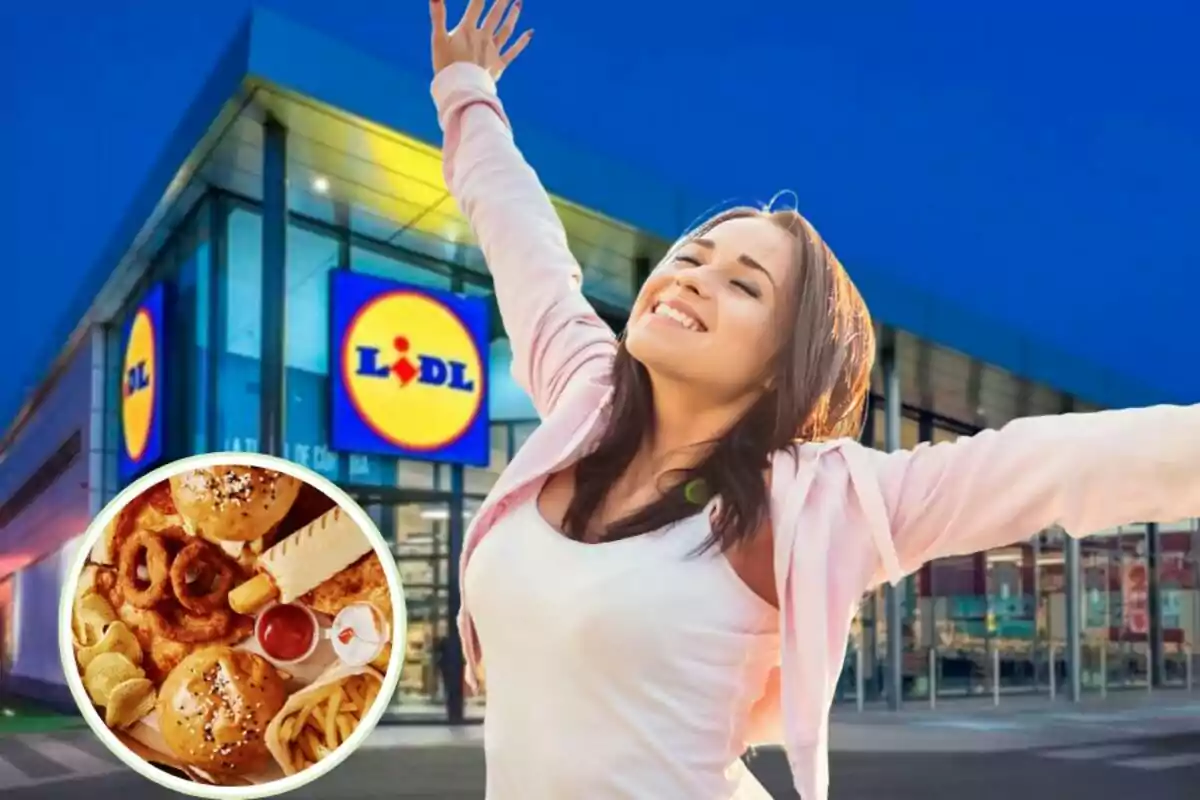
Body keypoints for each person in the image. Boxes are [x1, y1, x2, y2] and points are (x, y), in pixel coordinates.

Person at [426, 1, 1200, 797]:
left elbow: (1053, 462)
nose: (693, 275)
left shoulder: (806, 505)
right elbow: (523, 242)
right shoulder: (582, 401)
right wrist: (467, 90)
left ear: (780, 366)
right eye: (692, 255)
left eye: (742, 284)